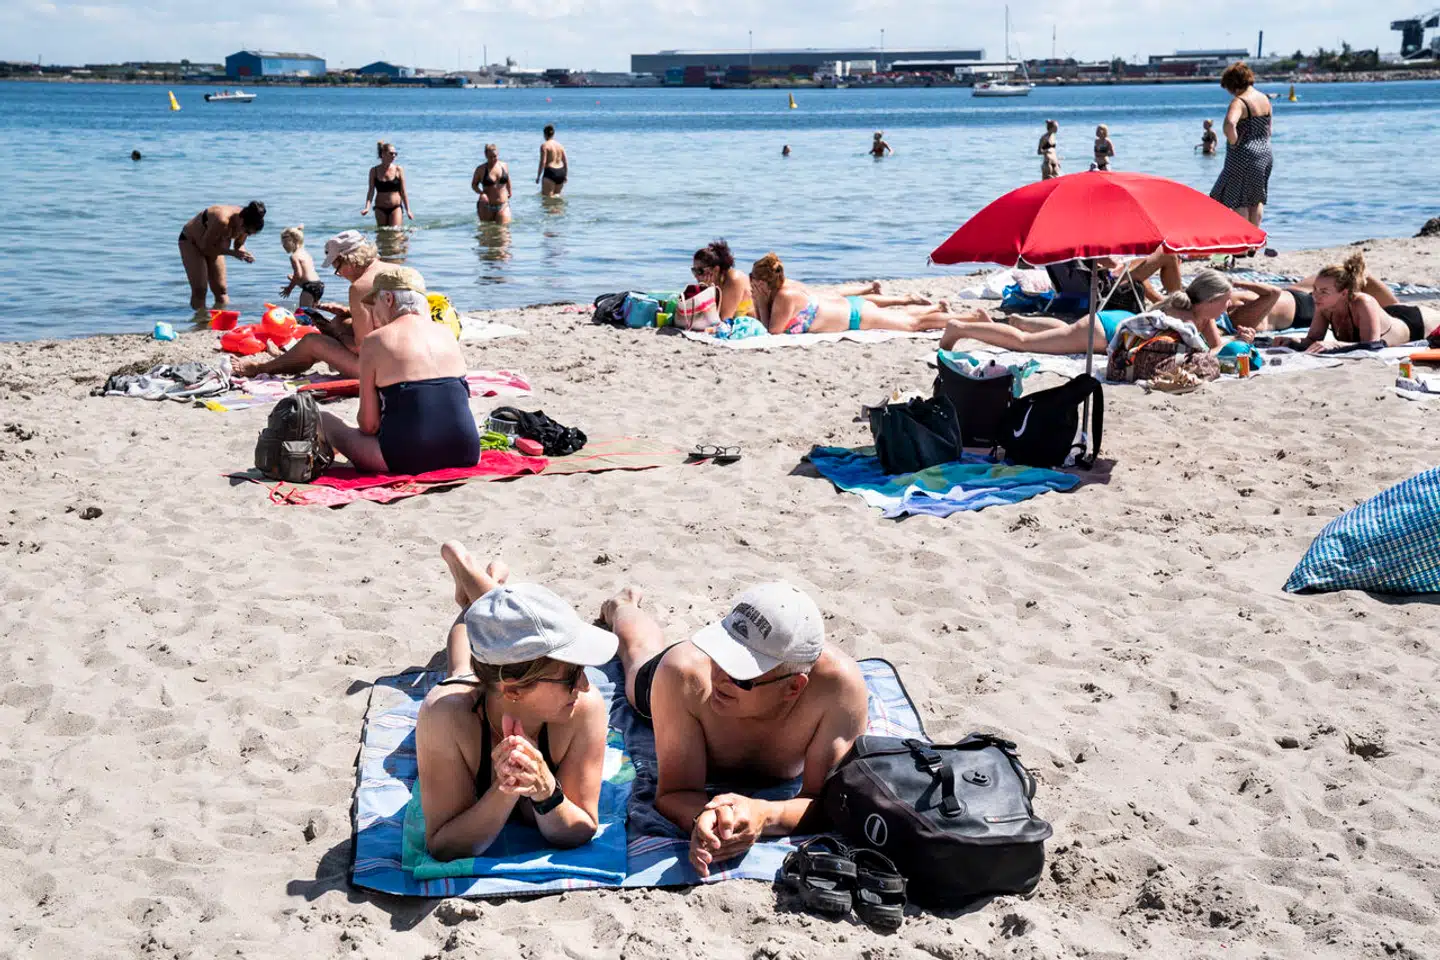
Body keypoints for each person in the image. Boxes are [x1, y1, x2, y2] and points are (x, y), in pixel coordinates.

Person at [599, 583, 868, 877]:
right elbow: (675, 792)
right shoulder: (686, 676)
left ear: (793, 687)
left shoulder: (837, 690)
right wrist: (705, 819)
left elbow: (826, 801)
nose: (719, 679)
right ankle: (622, 607)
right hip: (669, 680)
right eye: (720, 656)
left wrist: (765, 814)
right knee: (638, 657)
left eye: (741, 675)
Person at [415, 543, 616, 861]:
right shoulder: (446, 716)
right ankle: (475, 580)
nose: (586, 685)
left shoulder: (583, 708)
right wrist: (506, 788)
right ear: (514, 690)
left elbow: (581, 828)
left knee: (478, 652)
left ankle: (481, 581)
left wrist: (546, 791)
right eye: (570, 675)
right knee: (460, 667)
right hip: (474, 697)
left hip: (494, 690)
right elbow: (443, 845)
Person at [319, 266, 481, 475]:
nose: (373, 313)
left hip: (407, 459)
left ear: (388, 299)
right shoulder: (446, 333)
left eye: (374, 304)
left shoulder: (376, 341)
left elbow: (369, 425)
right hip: (466, 452)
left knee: (325, 420)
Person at [939, 269, 1234, 354]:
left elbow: (1217, 348)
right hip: (1104, 333)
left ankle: (1022, 322)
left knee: (1063, 332)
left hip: (1111, 323)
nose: (1229, 307)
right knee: (1023, 344)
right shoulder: (1188, 319)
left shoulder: (1198, 314)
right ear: (1210, 300)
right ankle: (959, 328)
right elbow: (1211, 353)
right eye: (1226, 301)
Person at [230, 230, 382, 379]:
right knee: (342, 321)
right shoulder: (392, 270)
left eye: (337, 268)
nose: (340, 274)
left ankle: (261, 368)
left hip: (379, 370)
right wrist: (349, 312)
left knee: (312, 341)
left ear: (349, 260)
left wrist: (332, 332)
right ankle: (289, 356)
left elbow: (361, 347)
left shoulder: (360, 286)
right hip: (401, 362)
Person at [750, 253, 954, 335]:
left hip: (857, 316)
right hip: (852, 311)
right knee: (909, 319)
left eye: (754, 282)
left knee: (913, 325)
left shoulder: (784, 296)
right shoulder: (781, 291)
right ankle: (938, 309)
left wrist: (759, 302)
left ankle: (963, 319)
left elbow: (771, 333)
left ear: (762, 284)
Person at [1269, 253, 1437, 352]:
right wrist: (1291, 342)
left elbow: (1372, 345)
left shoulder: (1363, 302)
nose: (1315, 295)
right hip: (1389, 316)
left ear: (1343, 293)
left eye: (1324, 291)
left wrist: (1334, 345)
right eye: (1315, 289)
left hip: (1416, 323)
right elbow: (1312, 339)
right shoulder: (1324, 306)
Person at [1209, 62, 1272, 228]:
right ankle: (1254, 243)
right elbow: (1269, 129)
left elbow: (1229, 124)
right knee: (1256, 199)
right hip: (1264, 152)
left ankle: (1243, 244)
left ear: (1232, 84)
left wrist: (1234, 141)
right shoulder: (1264, 99)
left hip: (1243, 155)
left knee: (1238, 200)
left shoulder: (1240, 101)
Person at [177, 201, 265, 311]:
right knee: (200, 290)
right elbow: (205, 247)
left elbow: (239, 244)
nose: (246, 234)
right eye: (247, 231)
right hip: (192, 243)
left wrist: (243, 253)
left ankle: (223, 320)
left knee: (221, 290)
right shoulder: (222, 220)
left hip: (215, 247)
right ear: (242, 221)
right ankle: (200, 323)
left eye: (250, 234)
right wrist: (232, 253)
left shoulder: (249, 220)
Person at [692, 240, 754, 319]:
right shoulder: (715, 282)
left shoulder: (734, 279)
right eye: (694, 270)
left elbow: (724, 318)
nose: (696, 275)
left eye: (699, 271)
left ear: (715, 270)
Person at [363, 141, 412, 228]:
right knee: (382, 234)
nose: (394, 156)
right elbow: (371, 191)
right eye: (391, 153)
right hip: (380, 208)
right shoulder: (374, 171)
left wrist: (408, 210)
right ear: (383, 154)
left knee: (395, 233)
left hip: (395, 207)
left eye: (395, 154)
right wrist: (367, 207)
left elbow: (403, 192)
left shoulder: (398, 169)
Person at [278, 225, 324, 308]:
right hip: (319, 285)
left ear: (292, 241)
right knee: (312, 314)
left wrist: (289, 288)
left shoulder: (294, 256)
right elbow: (307, 276)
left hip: (310, 288)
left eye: (284, 243)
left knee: (303, 314)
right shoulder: (306, 253)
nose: (283, 245)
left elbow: (298, 274)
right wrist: (295, 280)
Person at [471, 143, 512, 225]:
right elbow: (474, 185)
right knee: (487, 233)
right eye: (491, 157)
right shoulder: (480, 169)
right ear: (485, 155)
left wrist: (510, 191)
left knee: (504, 233)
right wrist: (481, 193)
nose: (493, 159)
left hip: (503, 205)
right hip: (486, 206)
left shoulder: (504, 165)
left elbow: (508, 179)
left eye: (495, 156)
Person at [537, 125, 568, 197]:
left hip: (550, 172)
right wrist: (565, 175)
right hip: (561, 172)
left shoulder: (544, 145)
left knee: (548, 199)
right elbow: (565, 161)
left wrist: (538, 176)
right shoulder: (560, 145)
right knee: (557, 197)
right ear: (553, 134)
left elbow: (543, 162)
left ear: (544, 134)